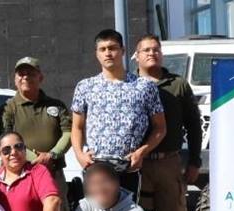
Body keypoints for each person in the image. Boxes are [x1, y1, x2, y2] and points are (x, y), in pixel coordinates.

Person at [132, 35, 204, 211]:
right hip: (137, 166)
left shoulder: (177, 84)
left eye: (156, 49)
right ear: (137, 56)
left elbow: (194, 124)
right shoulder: (129, 84)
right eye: (146, 50)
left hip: (168, 163)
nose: (152, 53)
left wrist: (194, 161)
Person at [71, 29, 166, 195]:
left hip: (129, 166)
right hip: (96, 166)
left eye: (112, 48)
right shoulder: (85, 86)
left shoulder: (144, 86)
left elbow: (160, 127)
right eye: (103, 49)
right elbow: (77, 127)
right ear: (97, 53)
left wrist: (141, 152)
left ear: (122, 51)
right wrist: (80, 155)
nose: (108, 53)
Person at [0, 56, 72, 211]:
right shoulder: (8, 108)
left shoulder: (57, 105)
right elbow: (5, 139)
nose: (25, 77)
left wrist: (51, 155)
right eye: (21, 74)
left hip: (53, 171)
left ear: (41, 77)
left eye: (31, 73)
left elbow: (68, 132)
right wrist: (36, 159)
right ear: (15, 79)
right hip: (20, 173)